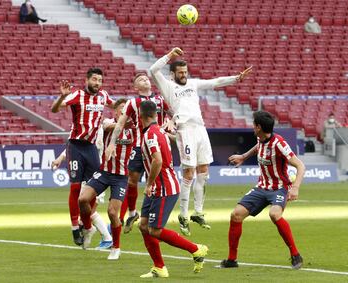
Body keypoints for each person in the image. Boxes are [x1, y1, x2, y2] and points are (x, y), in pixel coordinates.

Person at [149, 47, 252, 236]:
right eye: (180, 73)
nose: (183, 75)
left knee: (203, 171)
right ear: (172, 75)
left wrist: (236, 79)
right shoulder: (168, 86)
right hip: (185, 129)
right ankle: (183, 214)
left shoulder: (193, 84)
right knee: (188, 173)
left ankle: (198, 212)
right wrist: (169, 56)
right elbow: (152, 70)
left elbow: (215, 82)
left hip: (200, 128)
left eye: (185, 72)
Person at [220, 111, 305, 269]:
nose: (252, 127)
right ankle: (232, 260)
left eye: (254, 125)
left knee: (274, 214)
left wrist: (295, 188)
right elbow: (258, 146)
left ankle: (295, 255)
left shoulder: (279, 143)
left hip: (279, 188)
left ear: (259, 127)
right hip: (261, 187)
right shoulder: (261, 138)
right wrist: (243, 156)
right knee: (236, 215)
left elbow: (300, 165)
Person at [138, 100, 208, 278]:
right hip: (159, 186)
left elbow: (157, 160)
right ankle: (159, 267)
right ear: (154, 114)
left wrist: (149, 184)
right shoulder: (158, 130)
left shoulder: (151, 134)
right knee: (144, 225)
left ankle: (196, 249)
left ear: (141, 115)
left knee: (155, 230)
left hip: (164, 187)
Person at [51, 67, 115, 246]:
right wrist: (62, 96)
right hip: (76, 146)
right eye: (94, 79)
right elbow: (55, 109)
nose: (97, 83)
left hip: (92, 148)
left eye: (100, 80)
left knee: (92, 190)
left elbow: (117, 105)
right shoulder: (77, 95)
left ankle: (87, 226)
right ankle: (74, 228)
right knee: (75, 188)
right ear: (86, 80)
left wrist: (134, 107)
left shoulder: (103, 96)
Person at [105, 73, 172, 234]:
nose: (145, 80)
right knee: (131, 181)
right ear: (135, 87)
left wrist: (171, 120)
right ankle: (133, 212)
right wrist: (112, 143)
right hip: (139, 146)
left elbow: (175, 112)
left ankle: (157, 214)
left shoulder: (161, 100)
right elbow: (120, 124)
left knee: (161, 180)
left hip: (159, 144)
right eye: (141, 79)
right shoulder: (132, 103)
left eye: (146, 78)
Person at [78, 98, 134, 259]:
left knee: (112, 212)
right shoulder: (108, 123)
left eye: (127, 109)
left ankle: (115, 247)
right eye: (121, 109)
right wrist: (122, 124)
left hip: (121, 177)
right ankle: (89, 228)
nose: (124, 112)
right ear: (115, 111)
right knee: (82, 199)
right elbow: (107, 126)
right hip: (104, 172)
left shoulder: (134, 129)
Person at [51, 149, 113, 249]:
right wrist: (60, 158)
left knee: (90, 211)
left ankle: (107, 238)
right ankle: (103, 236)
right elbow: (75, 146)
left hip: (98, 177)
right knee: (88, 211)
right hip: (87, 178)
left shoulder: (99, 136)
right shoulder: (83, 139)